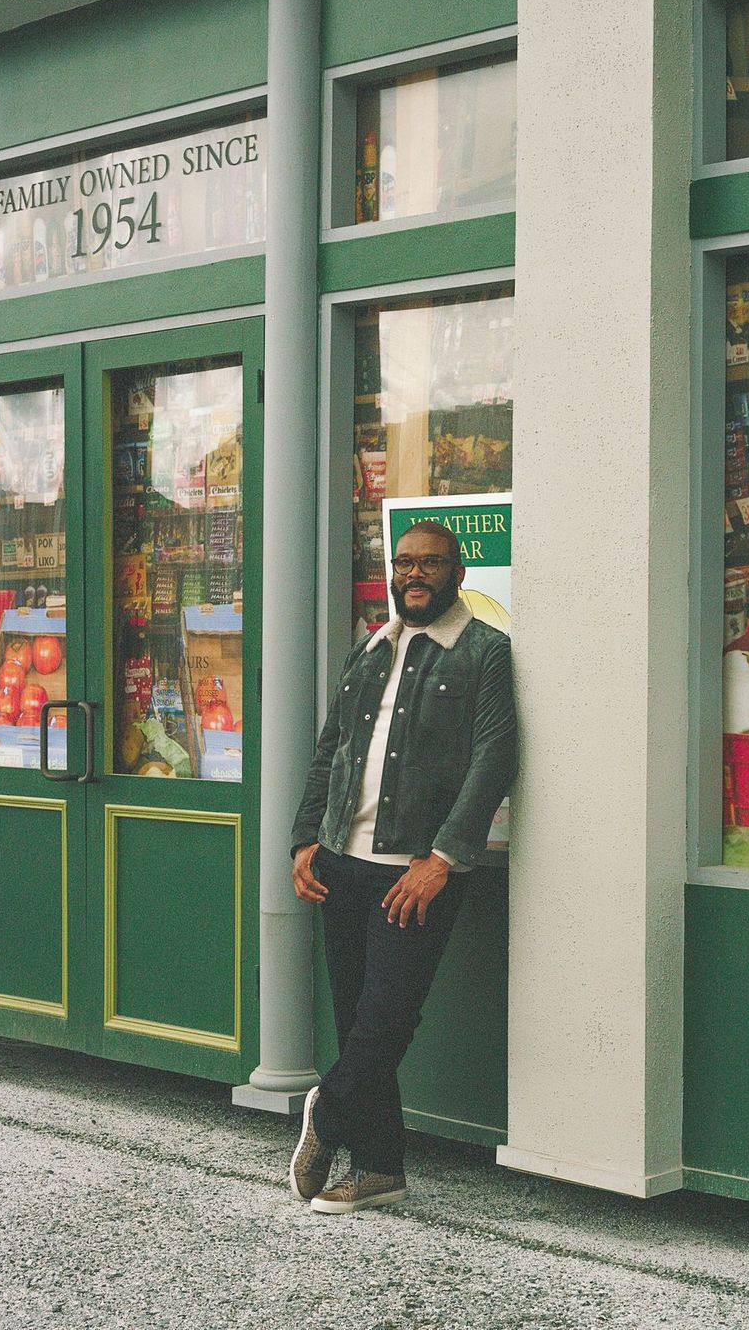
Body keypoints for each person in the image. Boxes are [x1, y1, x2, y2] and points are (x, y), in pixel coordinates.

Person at [287, 520, 518, 1213]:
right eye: (405, 562)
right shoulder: (368, 649)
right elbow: (330, 748)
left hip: (412, 874)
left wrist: (442, 858)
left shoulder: (485, 652)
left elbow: (494, 759)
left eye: (432, 563)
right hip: (341, 863)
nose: (416, 573)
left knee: (387, 1019)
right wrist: (305, 839)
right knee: (359, 1020)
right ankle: (380, 1168)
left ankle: (328, 1110)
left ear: (458, 573)